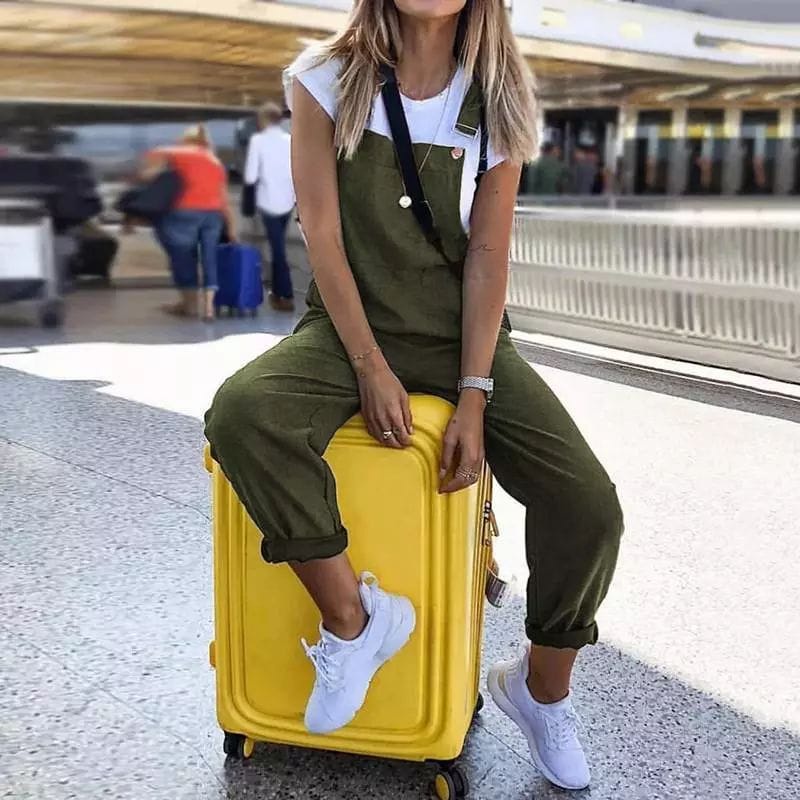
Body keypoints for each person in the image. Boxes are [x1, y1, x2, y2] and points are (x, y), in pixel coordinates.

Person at [205, 0, 623, 791]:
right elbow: (322, 233)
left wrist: (475, 394)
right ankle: (353, 621)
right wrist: (368, 365)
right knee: (244, 412)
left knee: (587, 506)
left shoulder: (498, 95)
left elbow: (489, 254)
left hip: (461, 338)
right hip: (346, 331)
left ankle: (540, 692)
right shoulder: (324, 78)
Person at [147, 124, 236, 321]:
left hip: (184, 212)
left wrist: (153, 174)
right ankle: (209, 307)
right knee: (209, 258)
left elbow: (154, 154)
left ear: (187, 140)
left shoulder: (182, 152)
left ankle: (190, 304)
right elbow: (224, 198)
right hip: (213, 215)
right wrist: (231, 228)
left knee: (182, 256)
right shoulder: (215, 161)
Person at [244, 102, 296, 311]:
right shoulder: (289, 140)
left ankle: (285, 294)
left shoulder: (258, 141)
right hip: (288, 201)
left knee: (277, 249)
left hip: (268, 202)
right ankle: (278, 292)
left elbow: (250, 176)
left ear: (263, 120)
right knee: (278, 247)